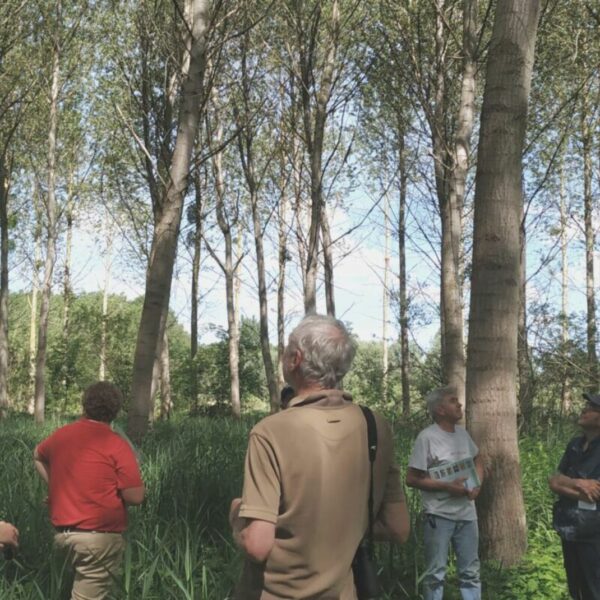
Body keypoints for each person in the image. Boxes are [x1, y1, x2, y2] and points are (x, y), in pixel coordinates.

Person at [230, 314, 409, 599]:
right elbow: (398, 528)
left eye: (286, 348)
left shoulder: (270, 432)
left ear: (295, 359)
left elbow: (257, 545)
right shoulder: (375, 426)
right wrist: (343, 526)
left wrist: (237, 518)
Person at [34, 381, 144, 600]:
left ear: (84, 406)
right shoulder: (116, 444)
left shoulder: (61, 435)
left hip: (63, 537)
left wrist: (56, 485)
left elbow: (37, 455)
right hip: (98, 541)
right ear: (115, 412)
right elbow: (135, 497)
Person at [406, 386, 483, 600]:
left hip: (467, 515)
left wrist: (477, 485)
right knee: (434, 574)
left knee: (470, 572)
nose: (459, 404)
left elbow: (478, 459)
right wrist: (447, 487)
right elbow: (411, 478)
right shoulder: (427, 438)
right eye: (453, 401)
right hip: (439, 516)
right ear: (440, 409)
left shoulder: (463, 434)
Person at [549, 392, 600, 600]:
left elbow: (596, 494)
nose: (584, 410)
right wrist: (579, 484)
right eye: (585, 406)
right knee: (575, 588)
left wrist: (564, 485)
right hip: (569, 526)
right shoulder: (574, 445)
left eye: (591, 408)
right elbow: (553, 479)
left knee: (594, 589)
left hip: (594, 533)